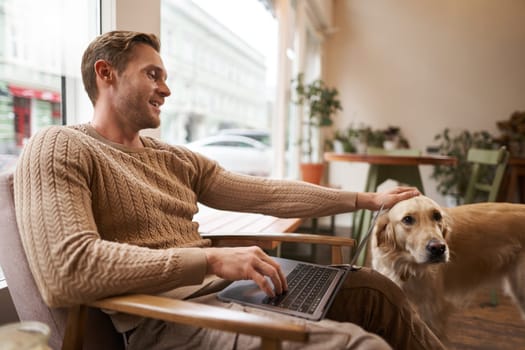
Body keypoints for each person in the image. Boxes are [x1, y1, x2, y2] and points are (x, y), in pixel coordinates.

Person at [13, 31, 445, 350]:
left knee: (376, 291)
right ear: (105, 74)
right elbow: (67, 271)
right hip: (171, 320)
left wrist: (366, 201)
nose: (166, 88)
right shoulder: (60, 144)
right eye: (153, 74)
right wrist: (212, 258)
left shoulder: (173, 158)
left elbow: (265, 193)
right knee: (362, 346)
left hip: (235, 292)